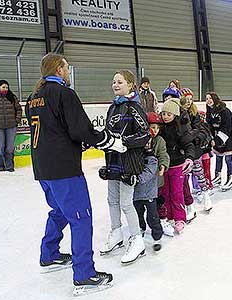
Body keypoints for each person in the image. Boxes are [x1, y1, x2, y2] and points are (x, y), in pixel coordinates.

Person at [25, 53, 123, 295]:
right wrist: (107, 140)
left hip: (43, 168)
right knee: (81, 218)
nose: (68, 72)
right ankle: (84, 274)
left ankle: (49, 255)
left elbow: (55, 131)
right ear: (59, 69)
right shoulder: (64, 93)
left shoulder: (33, 98)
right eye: (66, 68)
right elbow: (81, 129)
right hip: (63, 169)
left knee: (59, 211)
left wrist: (78, 143)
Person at [98, 70, 150, 265]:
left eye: (120, 82)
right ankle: (116, 232)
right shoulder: (113, 107)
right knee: (112, 200)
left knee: (126, 203)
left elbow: (144, 134)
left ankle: (137, 239)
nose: (115, 85)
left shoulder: (134, 107)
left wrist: (123, 142)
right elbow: (108, 132)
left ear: (130, 85)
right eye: (113, 82)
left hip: (128, 161)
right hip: (112, 160)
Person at [159, 98, 195, 233]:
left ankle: (180, 218)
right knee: (165, 193)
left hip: (177, 166)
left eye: (169, 114)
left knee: (177, 193)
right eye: (164, 114)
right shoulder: (160, 128)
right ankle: (168, 216)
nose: (166, 117)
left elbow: (189, 145)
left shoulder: (180, 129)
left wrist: (189, 158)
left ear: (175, 115)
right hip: (164, 167)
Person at [180, 88, 213, 215]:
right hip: (183, 151)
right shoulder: (178, 114)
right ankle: (188, 204)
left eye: (190, 99)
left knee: (199, 172)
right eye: (186, 99)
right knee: (184, 177)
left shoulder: (194, 114)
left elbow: (200, 129)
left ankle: (206, 195)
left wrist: (197, 138)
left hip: (195, 150)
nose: (188, 102)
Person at [146, 112, 174, 237]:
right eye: (152, 127)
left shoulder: (160, 140)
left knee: (159, 201)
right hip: (143, 179)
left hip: (157, 178)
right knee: (142, 203)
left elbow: (163, 154)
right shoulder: (141, 140)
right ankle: (141, 224)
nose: (155, 130)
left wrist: (163, 165)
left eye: (157, 128)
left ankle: (162, 220)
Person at [206, 92, 232, 191]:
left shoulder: (224, 111)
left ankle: (231, 178)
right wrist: (211, 137)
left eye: (210, 98)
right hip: (218, 137)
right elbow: (210, 125)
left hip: (229, 138)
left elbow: (227, 127)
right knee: (218, 157)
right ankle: (218, 176)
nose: (208, 100)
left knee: (228, 158)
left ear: (215, 99)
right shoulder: (210, 111)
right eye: (206, 99)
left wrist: (218, 139)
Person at [133, 143, 163, 252]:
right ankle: (140, 229)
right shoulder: (133, 157)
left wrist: (136, 179)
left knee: (152, 217)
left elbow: (149, 172)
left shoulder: (152, 159)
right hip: (136, 195)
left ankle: (157, 237)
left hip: (149, 194)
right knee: (137, 215)